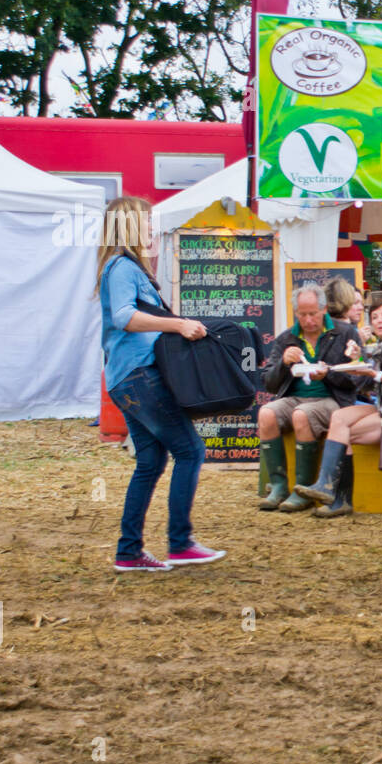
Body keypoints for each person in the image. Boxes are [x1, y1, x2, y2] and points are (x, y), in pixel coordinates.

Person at [96, 196, 224, 572]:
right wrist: (178, 324)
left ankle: (129, 551)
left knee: (151, 461)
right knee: (190, 451)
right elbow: (123, 317)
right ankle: (180, 543)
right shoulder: (121, 267)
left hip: (125, 379)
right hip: (139, 377)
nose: (151, 229)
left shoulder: (125, 266)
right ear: (130, 226)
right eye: (146, 222)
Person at [294, 300, 382, 518]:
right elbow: (369, 384)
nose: (379, 321)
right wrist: (357, 362)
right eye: (375, 317)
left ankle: (338, 497)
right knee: (339, 417)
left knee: (343, 432)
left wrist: (373, 374)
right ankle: (327, 487)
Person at [257, 286, 359, 512]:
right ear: (296, 313)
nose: (308, 320)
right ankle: (278, 486)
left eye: (313, 313)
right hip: (294, 397)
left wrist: (329, 374)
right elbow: (269, 383)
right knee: (266, 413)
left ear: (324, 309)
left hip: (332, 399)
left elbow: (356, 379)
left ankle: (302, 489)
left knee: (302, 415)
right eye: (302, 314)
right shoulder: (287, 338)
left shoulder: (345, 333)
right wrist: (284, 363)